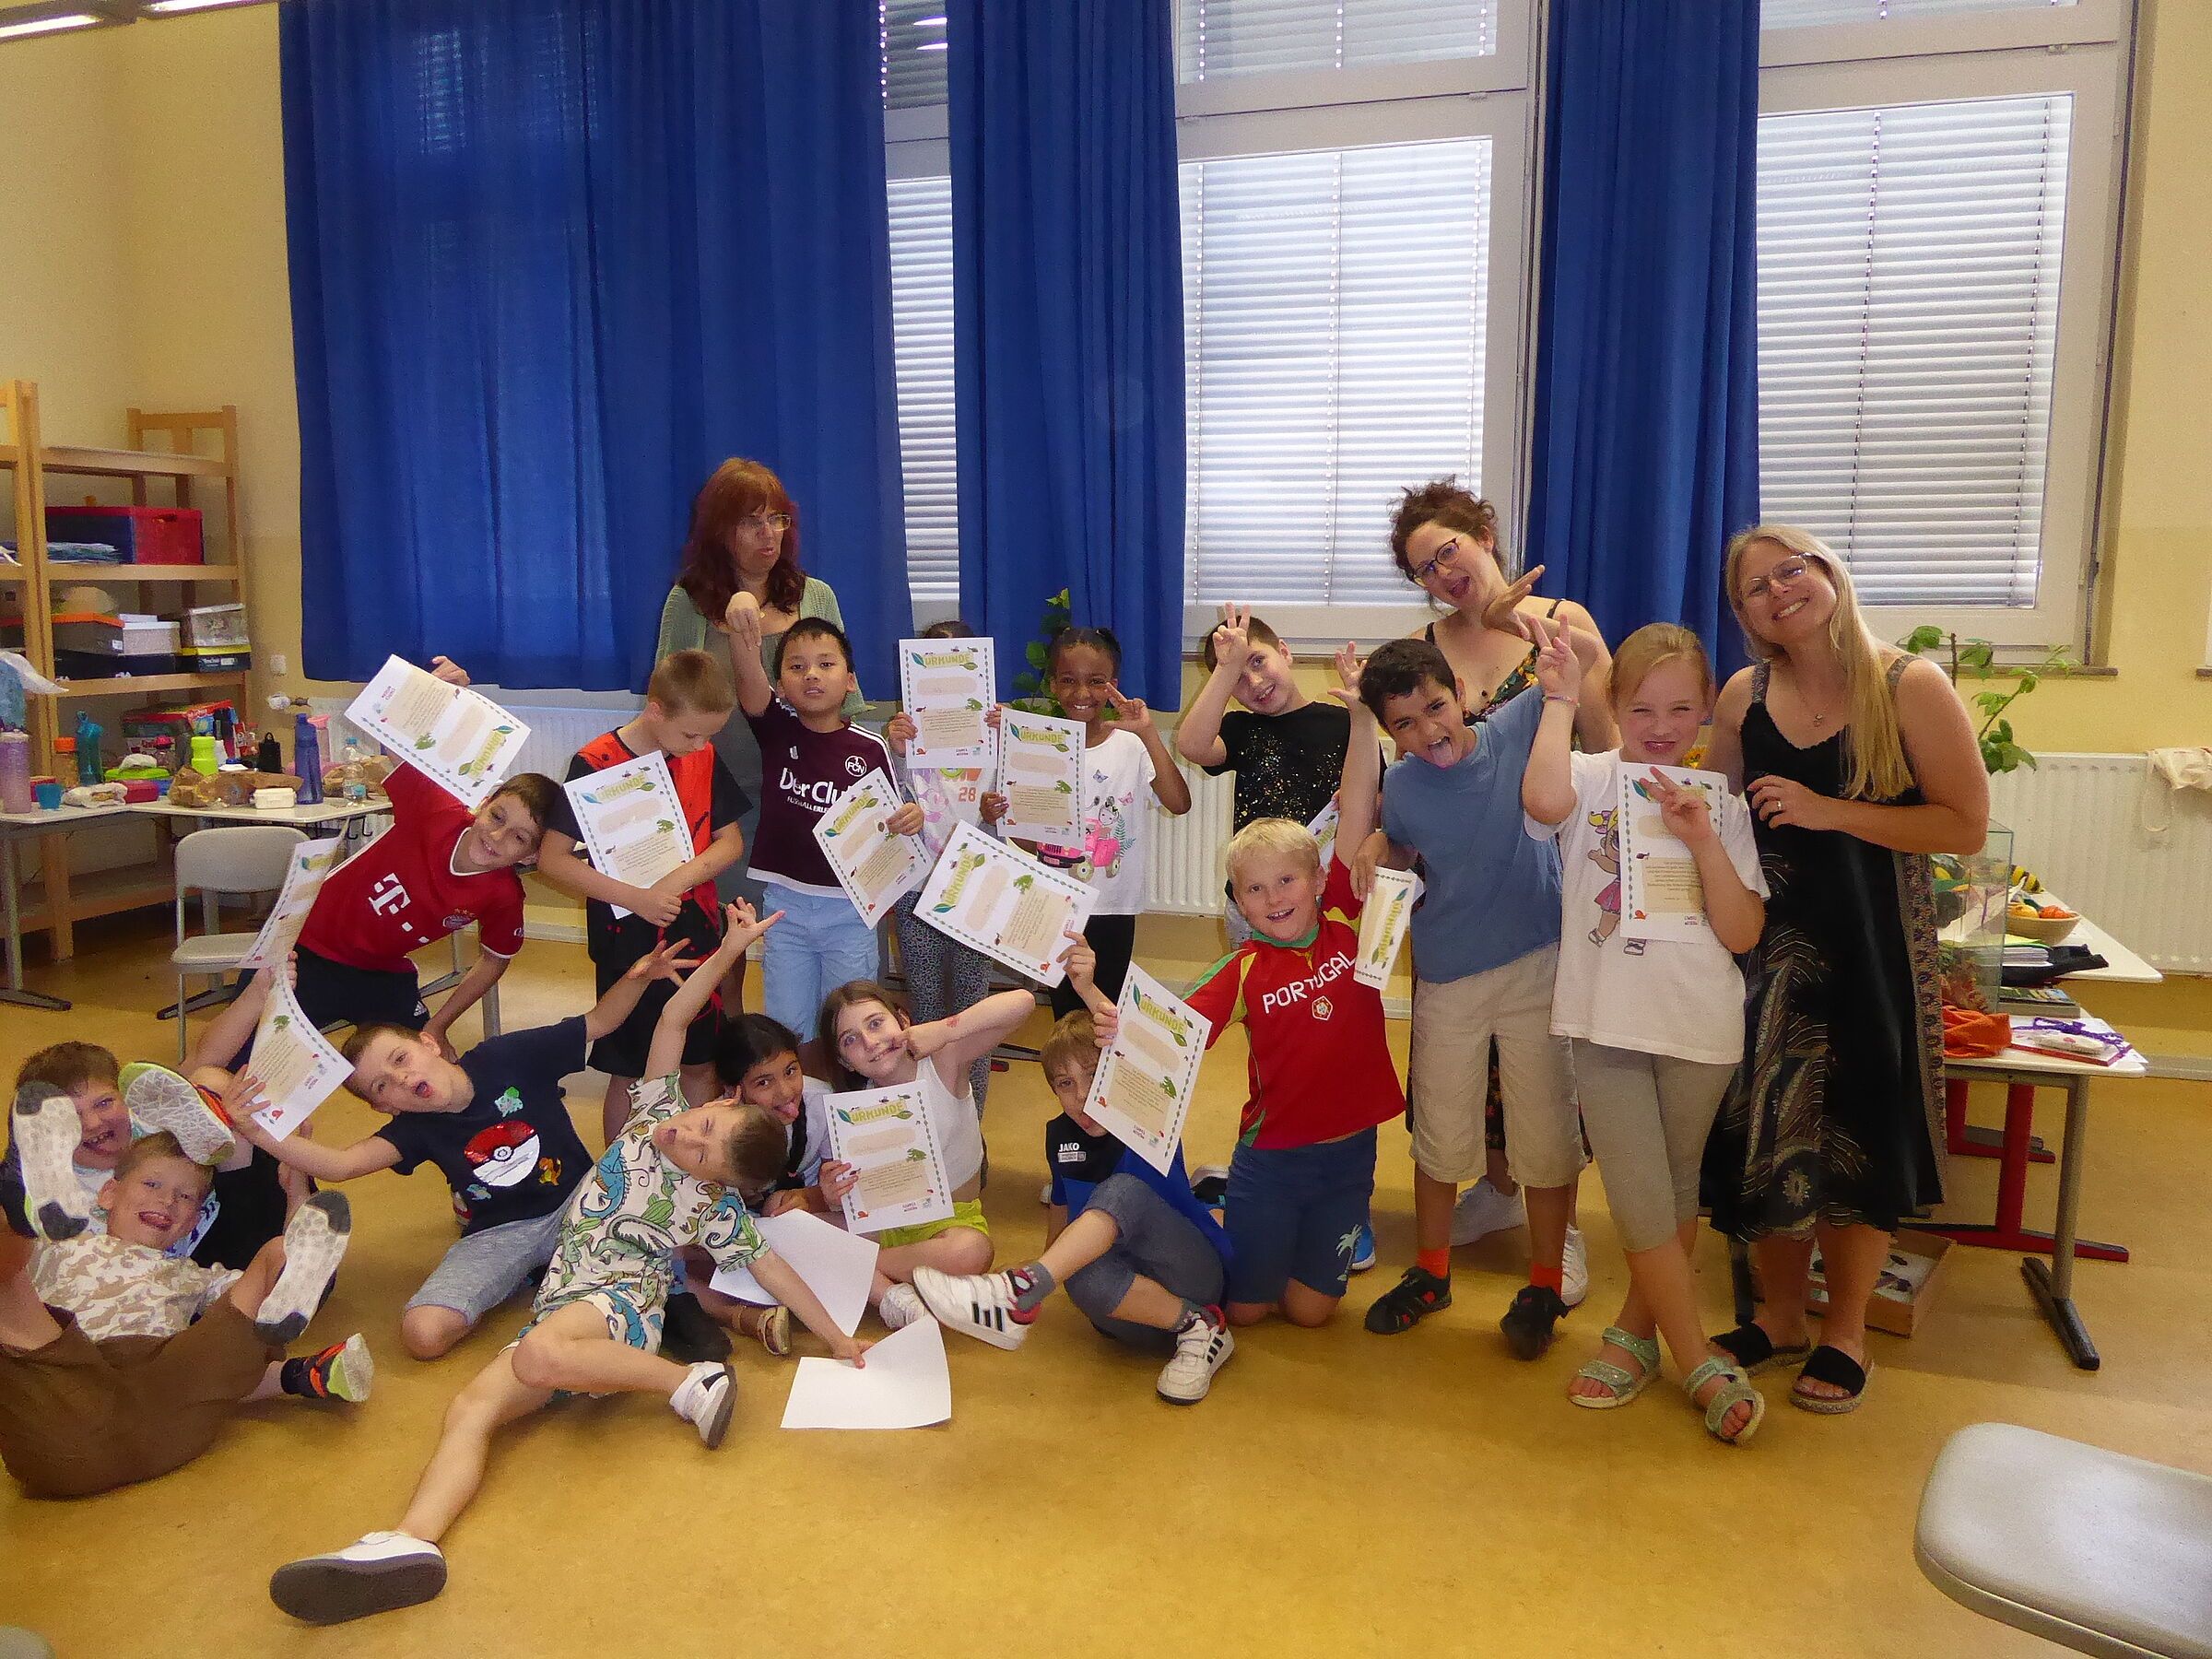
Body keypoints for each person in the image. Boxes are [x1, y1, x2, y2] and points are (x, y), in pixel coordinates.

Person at [267, 931, 866, 1627]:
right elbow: (673, 1019)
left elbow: (776, 1269)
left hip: (619, 1306)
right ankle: (411, 1542)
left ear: (718, 1185)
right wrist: (729, 950)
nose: (687, 1138)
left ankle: (689, 1382)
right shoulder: (656, 1112)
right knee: (470, 1410)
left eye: (702, 1155)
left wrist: (841, 1340)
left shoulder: (711, 1209)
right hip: (561, 1304)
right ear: (722, 1099)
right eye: (703, 1122)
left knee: (537, 1354)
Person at [1700, 525, 1987, 1414]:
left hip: (1871, 952)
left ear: (1830, 573)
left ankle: (1847, 1330)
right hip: (1765, 957)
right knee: (1770, 1132)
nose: (1780, 589)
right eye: (1756, 585)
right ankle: (1781, 1318)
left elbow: (1963, 826)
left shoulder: (1909, 684)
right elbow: (1716, 819)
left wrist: (1830, 811)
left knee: (1857, 1137)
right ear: (1744, 614)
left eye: (1795, 568)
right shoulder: (1742, 695)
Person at [1522, 623, 1767, 1445]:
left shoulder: (1722, 806)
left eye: (1681, 708)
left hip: (1700, 1025)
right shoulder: (1590, 778)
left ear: (1705, 715)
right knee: (1636, 1192)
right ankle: (1696, 1355)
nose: (1661, 725)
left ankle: (1633, 1339)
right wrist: (1561, 698)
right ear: (1616, 705)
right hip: (1605, 1021)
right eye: (1642, 706)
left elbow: (1740, 932)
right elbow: (1542, 803)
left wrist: (1700, 838)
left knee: (1672, 1187)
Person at [229, 943, 698, 1360]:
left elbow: (599, 1021)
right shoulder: (414, 1130)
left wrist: (638, 979)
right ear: (382, 1105)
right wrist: (257, 1129)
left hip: (584, 1203)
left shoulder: (508, 1056)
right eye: (383, 1085)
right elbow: (342, 1164)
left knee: (685, 1248)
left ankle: (568, 1274)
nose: (403, 1080)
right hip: (500, 1231)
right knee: (422, 1335)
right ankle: (539, 1271)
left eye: (401, 1059)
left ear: (429, 1043)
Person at [1388, 478, 1613, 1267]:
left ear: (1483, 532)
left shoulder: (1564, 622)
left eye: (1447, 550)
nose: (1442, 573)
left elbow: (1605, 733)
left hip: (1548, 873)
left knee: (1544, 1063)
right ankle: (1492, 1190)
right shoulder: (1425, 646)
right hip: (1458, 891)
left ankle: (1563, 1228)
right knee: (1460, 1061)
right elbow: (1408, 769)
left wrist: (1522, 629)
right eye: (1424, 568)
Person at [1338, 636, 1583, 1359]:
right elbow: (1408, 847)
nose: (1427, 731)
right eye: (1404, 724)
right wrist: (1385, 845)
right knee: (1440, 1131)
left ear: (1463, 693)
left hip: (1537, 964)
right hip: (1447, 975)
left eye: (1436, 708)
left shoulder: (1522, 721)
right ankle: (1433, 1272)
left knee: (1544, 1130)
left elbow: (1580, 666)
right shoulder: (1406, 787)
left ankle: (1543, 1283)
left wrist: (1543, 639)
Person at [912, 939, 1236, 1403]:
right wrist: (1039, 1266)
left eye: (1093, 1074)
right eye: (1065, 1084)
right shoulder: (1060, 1137)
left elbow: (1147, 1055)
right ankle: (1198, 1331)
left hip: (1191, 1275)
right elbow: (1060, 1226)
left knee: (1122, 1189)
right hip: (1137, 1319)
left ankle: (1016, 1294)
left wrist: (1087, 989)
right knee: (1078, 1271)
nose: (1080, 1094)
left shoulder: (1141, 1116)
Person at [1, 1102, 360, 1500]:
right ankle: (22, 1193)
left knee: (271, 1258)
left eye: (185, 1197)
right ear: (108, 1194)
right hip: (66, 1405)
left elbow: (239, 1304)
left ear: (192, 1222)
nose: (167, 1202)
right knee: (12, 1281)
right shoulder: (66, 1247)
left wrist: (296, 1195)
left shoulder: (192, 1275)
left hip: (162, 1413)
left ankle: (296, 1269)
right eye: (151, 1185)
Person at [1180, 818, 1403, 1331]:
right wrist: (1098, 1001)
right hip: (1273, 1161)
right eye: (1255, 888)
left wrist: (1380, 836)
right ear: (1237, 901)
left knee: (1310, 1314)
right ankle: (1218, 1204)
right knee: (1246, 1312)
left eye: (1287, 880)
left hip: (1350, 1158)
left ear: (1320, 879)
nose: (1274, 898)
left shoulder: (1354, 931)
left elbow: (1399, 861)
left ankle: (1249, 1220)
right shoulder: (1243, 968)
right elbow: (1173, 1033)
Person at [653, 459, 862, 1006]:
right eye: (751, 522)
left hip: (804, 794)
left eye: (777, 521)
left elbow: (848, 702)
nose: (768, 535)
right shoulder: (690, 600)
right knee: (727, 937)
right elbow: (671, 701)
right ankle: (727, 1051)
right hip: (722, 797)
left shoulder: (814, 595)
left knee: (805, 936)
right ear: (720, 531)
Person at [537, 647, 751, 1141]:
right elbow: (552, 859)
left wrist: (671, 885)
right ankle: (621, 1181)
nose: (698, 745)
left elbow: (730, 843)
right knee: (630, 1069)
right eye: (690, 733)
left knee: (700, 1059)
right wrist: (638, 898)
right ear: (655, 709)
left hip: (694, 928)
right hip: (628, 938)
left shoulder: (702, 753)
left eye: (709, 736)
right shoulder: (595, 762)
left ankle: (698, 1172)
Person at [292, 658, 557, 1054]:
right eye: (496, 816)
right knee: (249, 1065)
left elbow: (494, 961)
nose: (496, 836)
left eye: (518, 837)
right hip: (304, 947)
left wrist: (438, 1025)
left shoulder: (503, 895)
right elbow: (394, 741)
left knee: (433, 1063)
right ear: (482, 803)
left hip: (380, 972)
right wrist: (437, 692)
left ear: (532, 856)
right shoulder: (438, 809)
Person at [723, 598, 906, 1039]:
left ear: (850, 681)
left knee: (850, 1027)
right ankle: (797, 1106)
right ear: (781, 685)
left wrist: (910, 818)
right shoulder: (776, 729)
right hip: (784, 909)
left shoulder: (870, 748)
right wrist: (742, 623)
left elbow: (893, 829)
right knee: (789, 1028)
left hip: (849, 912)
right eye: (797, 666)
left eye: (826, 664)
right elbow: (749, 684)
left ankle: (844, 1105)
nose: (811, 674)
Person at [816, 977, 1038, 1328]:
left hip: (951, 1223)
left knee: (971, 1251)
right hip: (887, 1226)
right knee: (794, 1228)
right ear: (845, 1061)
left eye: (876, 1023)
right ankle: (897, 1294)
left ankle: (868, 1275)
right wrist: (833, 1196)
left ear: (902, 1021)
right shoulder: (851, 1111)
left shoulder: (942, 1063)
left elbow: (1023, 1002)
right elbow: (860, 1197)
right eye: (851, 1040)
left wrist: (947, 1029)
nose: (871, 1042)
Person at [1028, 625, 1191, 1018]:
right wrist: (1004, 816)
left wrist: (1149, 732)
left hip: (1114, 907)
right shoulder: (1039, 745)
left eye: (1095, 682)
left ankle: (1101, 1080)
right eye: (1068, 681)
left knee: (1107, 1011)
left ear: (1112, 685)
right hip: (1058, 904)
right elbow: (1025, 839)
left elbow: (1179, 802)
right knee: (1066, 1014)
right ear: (1053, 685)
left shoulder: (1131, 744)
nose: (1082, 694)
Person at [884, 618, 1010, 1111]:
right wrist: (893, 747)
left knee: (973, 1013)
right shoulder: (902, 737)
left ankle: (971, 1125)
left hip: (975, 888)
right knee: (928, 1009)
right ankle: (933, 1118)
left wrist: (1012, 737)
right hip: (917, 889)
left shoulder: (998, 730)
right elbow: (883, 803)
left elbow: (1016, 808)